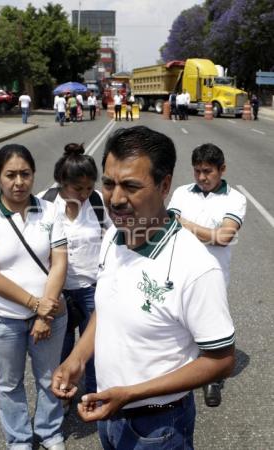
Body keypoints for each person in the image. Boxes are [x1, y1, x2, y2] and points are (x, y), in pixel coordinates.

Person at [52, 126, 235, 450]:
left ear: (164, 185)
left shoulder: (195, 266)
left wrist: (131, 394)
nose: (115, 199)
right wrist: (78, 358)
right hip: (108, 413)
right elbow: (108, 308)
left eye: (131, 186)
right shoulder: (113, 237)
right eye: (108, 184)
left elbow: (221, 360)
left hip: (158, 428)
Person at [0, 144, 68, 450]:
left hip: (50, 315)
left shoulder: (50, 209)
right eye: (10, 175)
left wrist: (44, 313)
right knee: (9, 384)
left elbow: (60, 263)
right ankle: (19, 440)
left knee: (48, 378)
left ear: (33, 175)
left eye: (25, 174)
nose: (18, 182)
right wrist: (34, 304)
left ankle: (50, 432)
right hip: (3, 319)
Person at [168, 143, 246, 407]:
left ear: (221, 170)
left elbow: (224, 237)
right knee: (178, 326)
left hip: (213, 277)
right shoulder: (181, 193)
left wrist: (186, 225)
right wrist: (207, 234)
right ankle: (178, 375)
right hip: (178, 273)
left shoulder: (234, 198)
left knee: (212, 331)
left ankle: (212, 380)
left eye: (208, 172)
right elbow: (167, 227)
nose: (202, 177)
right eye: (197, 171)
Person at [39, 143, 111, 397]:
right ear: (61, 182)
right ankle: (63, 392)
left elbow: (114, 235)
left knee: (93, 347)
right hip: (60, 291)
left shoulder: (98, 202)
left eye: (89, 187)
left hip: (93, 288)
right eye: (77, 188)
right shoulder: (44, 204)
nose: (84, 193)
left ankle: (94, 393)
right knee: (62, 345)